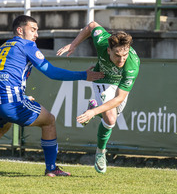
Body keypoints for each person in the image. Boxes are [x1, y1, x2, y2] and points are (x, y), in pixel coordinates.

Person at [0, 15, 104, 177]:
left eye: (37, 31)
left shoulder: (4, 46)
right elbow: (51, 72)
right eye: (33, 30)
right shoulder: (27, 45)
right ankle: (51, 168)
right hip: (10, 102)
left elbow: (5, 77)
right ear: (19, 30)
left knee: (3, 126)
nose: (36, 35)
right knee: (49, 120)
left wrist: (22, 97)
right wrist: (83, 75)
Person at [57, 21, 140, 174]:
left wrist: (93, 112)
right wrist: (74, 44)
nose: (121, 60)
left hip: (118, 85)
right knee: (110, 119)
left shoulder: (132, 65)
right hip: (101, 79)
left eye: (124, 55)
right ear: (108, 50)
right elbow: (91, 25)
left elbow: (119, 98)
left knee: (109, 117)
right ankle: (101, 152)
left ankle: (94, 108)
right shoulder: (102, 41)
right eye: (117, 55)